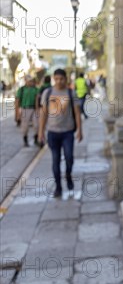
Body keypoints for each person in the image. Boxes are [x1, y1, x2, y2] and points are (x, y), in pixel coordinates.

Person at [38, 68, 83, 198]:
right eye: (56, 79)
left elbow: (77, 112)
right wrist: (41, 132)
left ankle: (68, 175)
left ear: (66, 79)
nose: (59, 81)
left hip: (67, 132)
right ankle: (58, 187)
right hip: (53, 133)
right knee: (55, 161)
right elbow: (43, 114)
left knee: (69, 158)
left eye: (61, 79)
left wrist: (80, 130)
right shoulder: (48, 93)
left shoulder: (70, 92)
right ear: (53, 79)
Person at [15, 75, 39, 146]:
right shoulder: (21, 89)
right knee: (25, 126)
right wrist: (18, 113)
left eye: (31, 81)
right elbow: (17, 101)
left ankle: (36, 139)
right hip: (25, 109)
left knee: (36, 125)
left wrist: (37, 109)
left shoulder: (35, 89)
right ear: (26, 81)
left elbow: (36, 100)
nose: (31, 82)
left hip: (33, 109)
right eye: (29, 81)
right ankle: (25, 140)